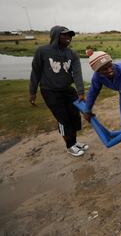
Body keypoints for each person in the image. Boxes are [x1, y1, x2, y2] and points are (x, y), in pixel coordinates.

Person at [29, 25, 88, 157]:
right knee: (63, 119)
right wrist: (32, 92)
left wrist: (81, 92)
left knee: (74, 117)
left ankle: (74, 142)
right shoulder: (42, 51)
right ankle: (70, 146)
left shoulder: (72, 54)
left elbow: (77, 74)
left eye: (70, 36)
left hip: (68, 90)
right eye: (64, 35)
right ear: (55, 36)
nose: (68, 38)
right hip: (50, 92)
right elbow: (36, 72)